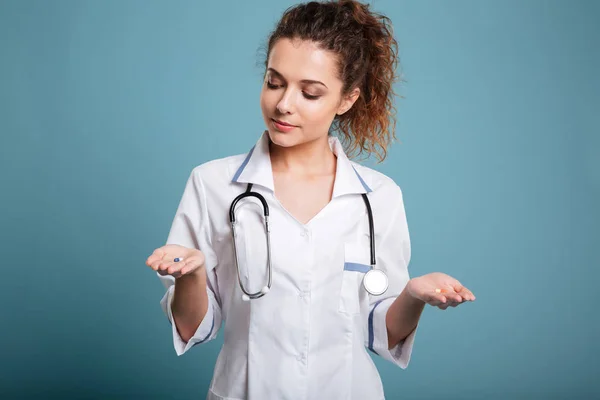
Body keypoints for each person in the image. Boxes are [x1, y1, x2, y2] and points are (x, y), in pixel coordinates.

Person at [145, 1, 475, 399]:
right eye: (274, 82)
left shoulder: (378, 197)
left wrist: (413, 296)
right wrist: (192, 276)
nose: (284, 103)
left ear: (346, 100)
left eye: (310, 92)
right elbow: (192, 327)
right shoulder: (213, 184)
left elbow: (380, 332)